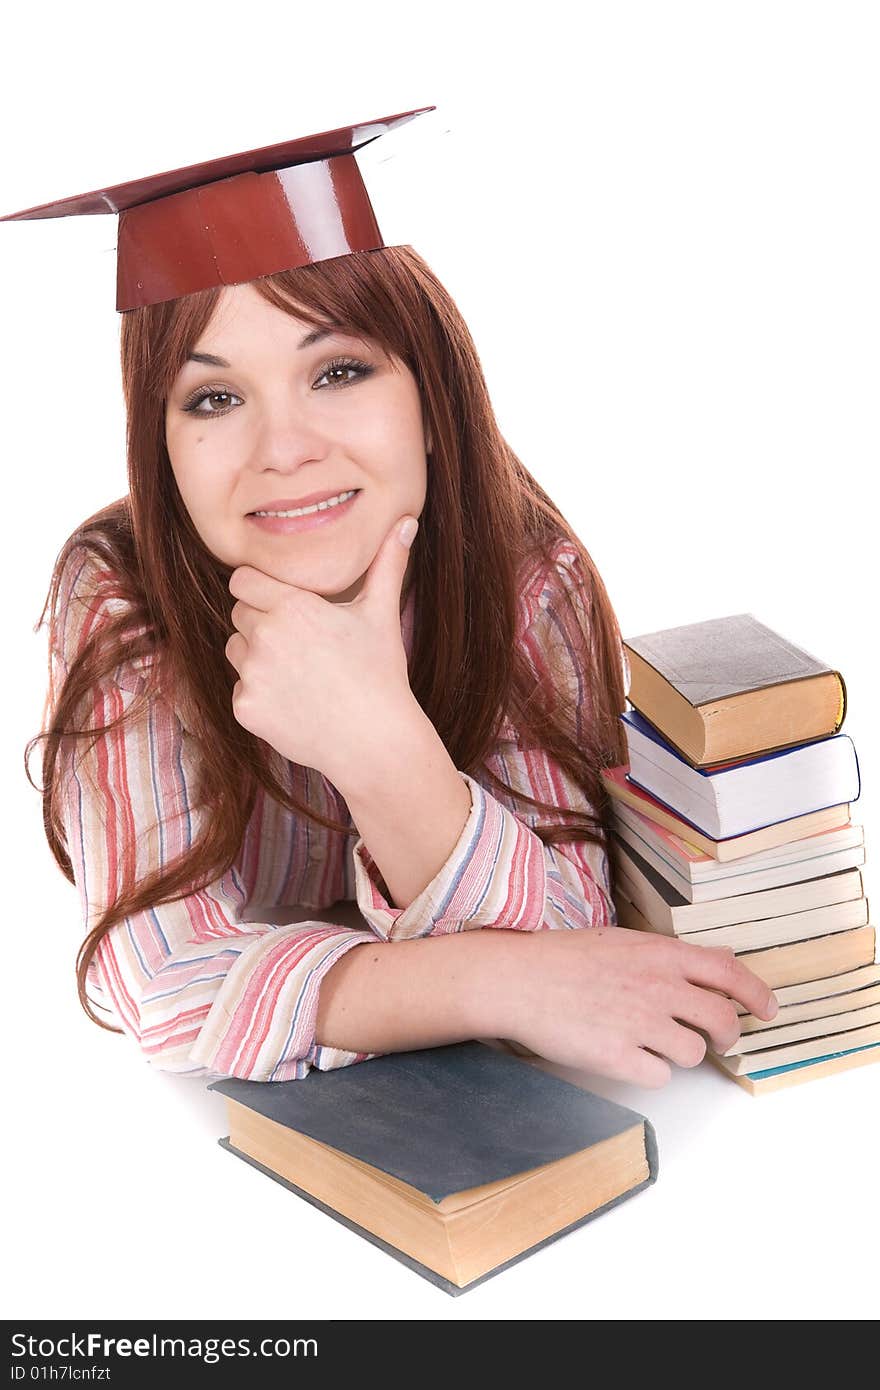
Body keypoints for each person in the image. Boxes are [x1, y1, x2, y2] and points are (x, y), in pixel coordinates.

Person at [17, 110, 778, 1089]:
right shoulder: (123, 596)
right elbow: (161, 984)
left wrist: (379, 742)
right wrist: (490, 986)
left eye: (337, 371)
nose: (282, 449)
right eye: (213, 398)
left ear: (431, 400)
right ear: (161, 451)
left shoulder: (523, 579)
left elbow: (576, 931)